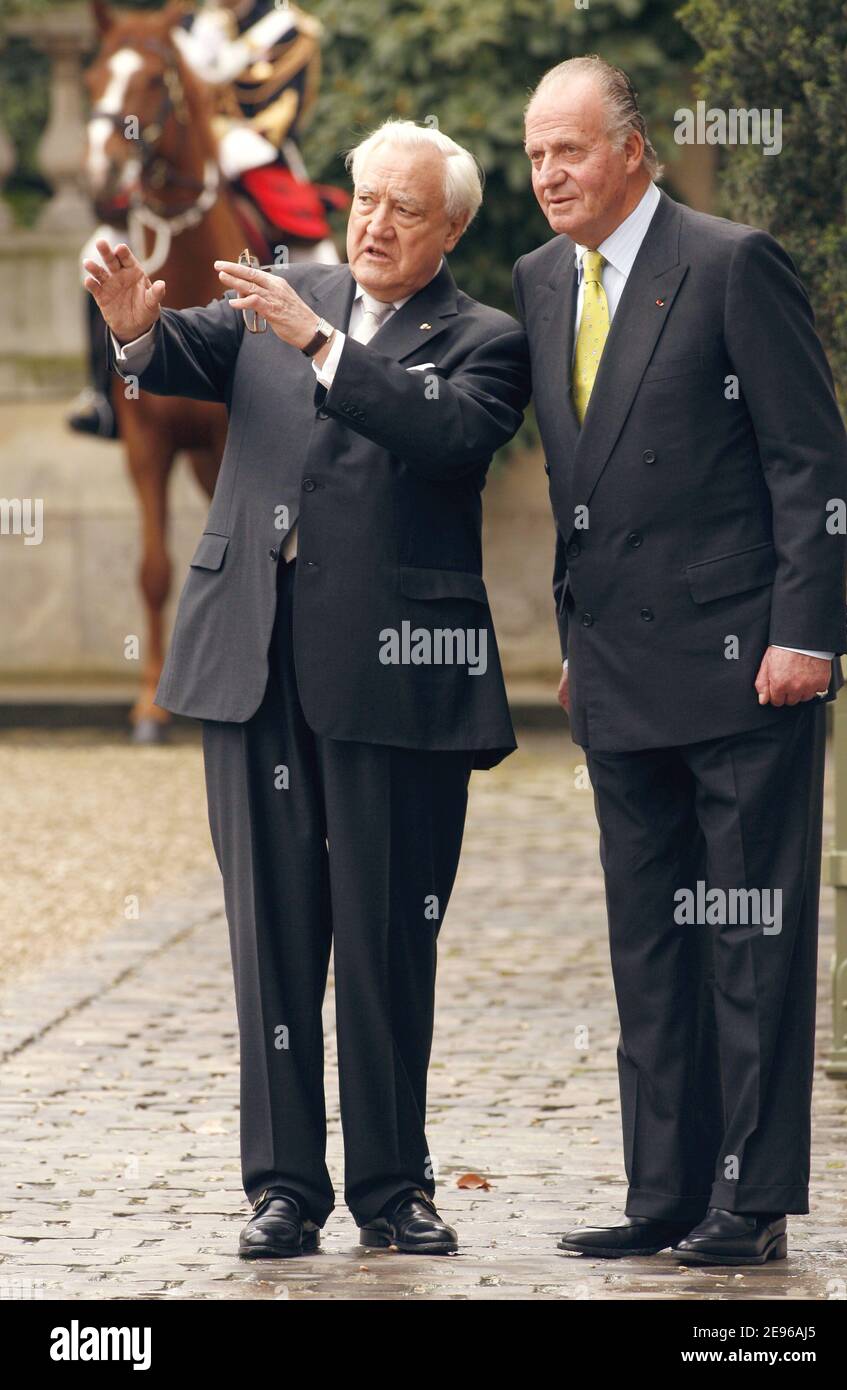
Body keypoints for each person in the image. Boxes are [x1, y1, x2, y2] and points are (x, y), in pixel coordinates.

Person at [84, 119, 530, 1257]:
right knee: (270, 941)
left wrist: (326, 347)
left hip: (394, 683)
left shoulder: (484, 339)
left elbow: (441, 435)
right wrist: (135, 330)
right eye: (366, 199)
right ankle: (282, 1183)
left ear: (451, 230)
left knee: (387, 941)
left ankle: (392, 1188)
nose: (375, 222)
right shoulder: (285, 290)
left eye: (405, 209)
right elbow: (182, 348)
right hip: (252, 664)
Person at [513, 56, 847, 1265]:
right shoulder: (540, 280)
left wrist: (803, 633)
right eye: (534, 152)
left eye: (569, 150)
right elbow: (575, 481)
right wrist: (571, 635)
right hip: (614, 669)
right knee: (647, 941)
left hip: (743, 665)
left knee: (747, 939)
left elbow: (806, 462)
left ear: (632, 152)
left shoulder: (727, 262)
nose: (547, 173)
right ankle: (662, 1191)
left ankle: (747, 1203)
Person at [70, 0, 343, 439]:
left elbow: (281, 109)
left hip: (251, 148)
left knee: (317, 250)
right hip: (181, 156)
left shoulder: (288, 29)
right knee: (95, 253)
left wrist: (217, 131)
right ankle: (101, 393)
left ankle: (325, 383)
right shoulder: (186, 24)